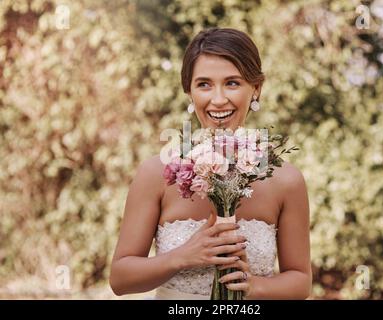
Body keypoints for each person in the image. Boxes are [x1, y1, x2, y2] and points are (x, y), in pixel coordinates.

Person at [109, 27, 312, 299]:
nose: (218, 100)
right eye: (204, 84)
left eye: (232, 83)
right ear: (189, 92)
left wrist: (254, 287)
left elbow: (300, 282)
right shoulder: (156, 173)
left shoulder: (286, 181)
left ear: (256, 89)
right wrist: (184, 256)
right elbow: (121, 279)